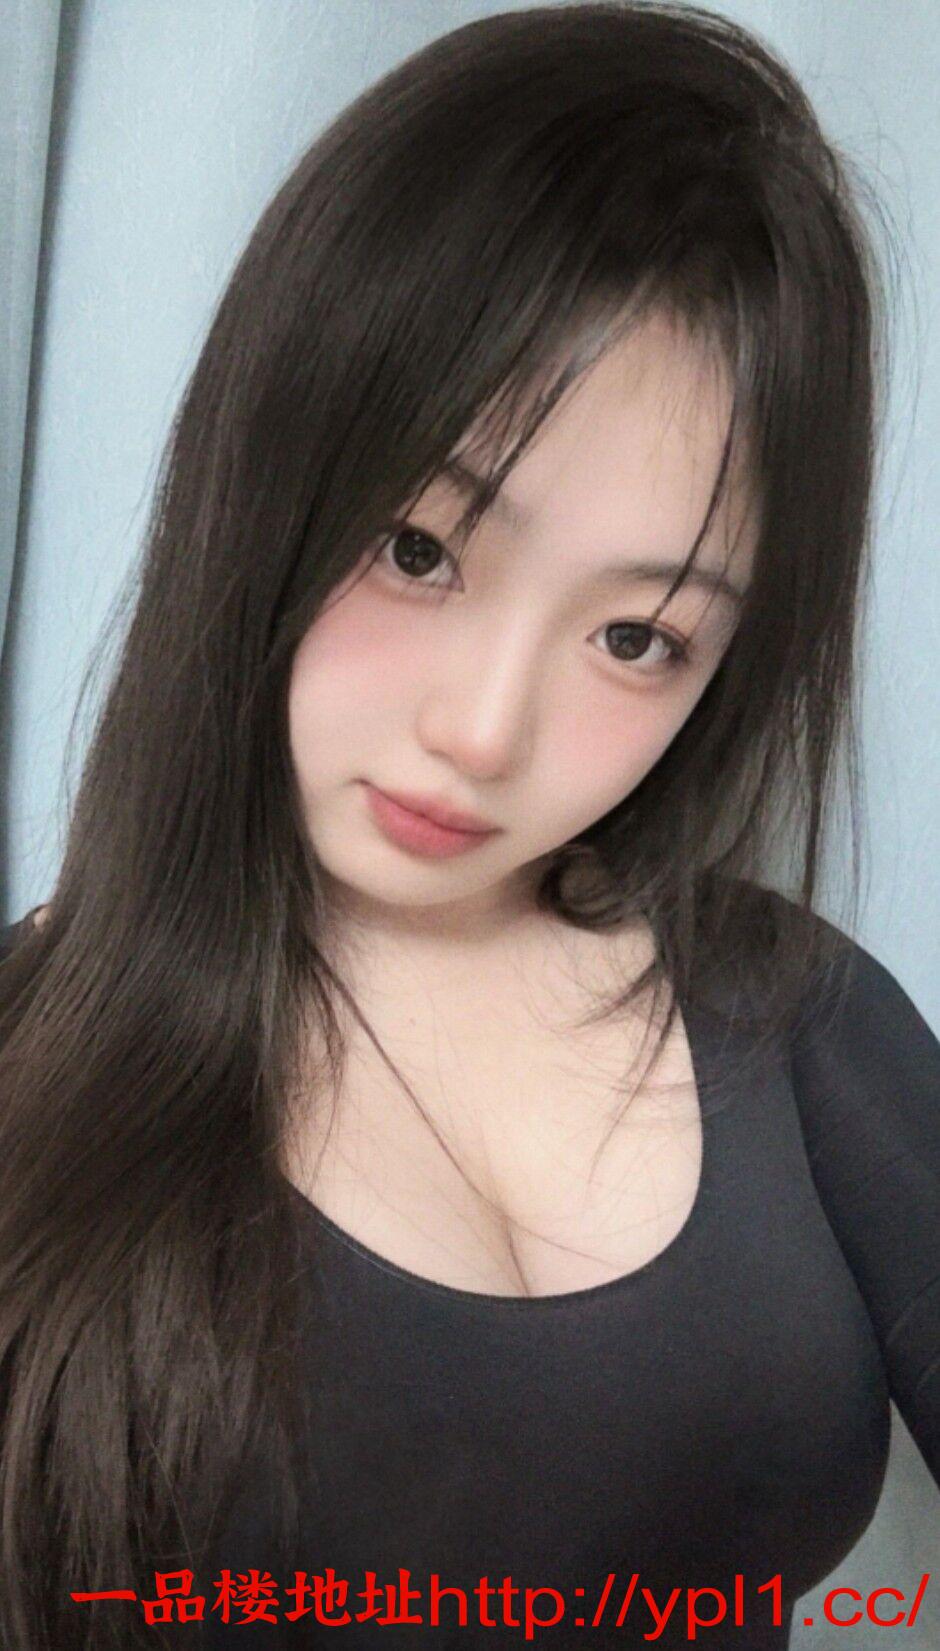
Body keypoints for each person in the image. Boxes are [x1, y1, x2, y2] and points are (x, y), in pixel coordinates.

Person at [0, 4, 937, 1647]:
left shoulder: (793, 1015)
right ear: (268, 476)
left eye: (636, 637)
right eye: (421, 550)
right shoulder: (30, 1067)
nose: (485, 733)